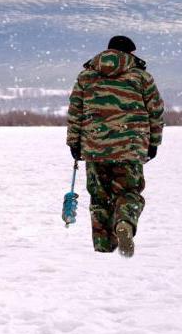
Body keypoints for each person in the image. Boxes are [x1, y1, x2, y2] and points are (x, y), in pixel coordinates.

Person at [66, 35, 164, 258]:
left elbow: (75, 112)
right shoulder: (141, 77)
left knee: (100, 197)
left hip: (94, 147)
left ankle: (103, 248)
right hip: (130, 148)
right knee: (129, 192)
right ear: (130, 53)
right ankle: (124, 223)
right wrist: (154, 143)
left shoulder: (86, 77)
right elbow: (155, 112)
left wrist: (74, 142)